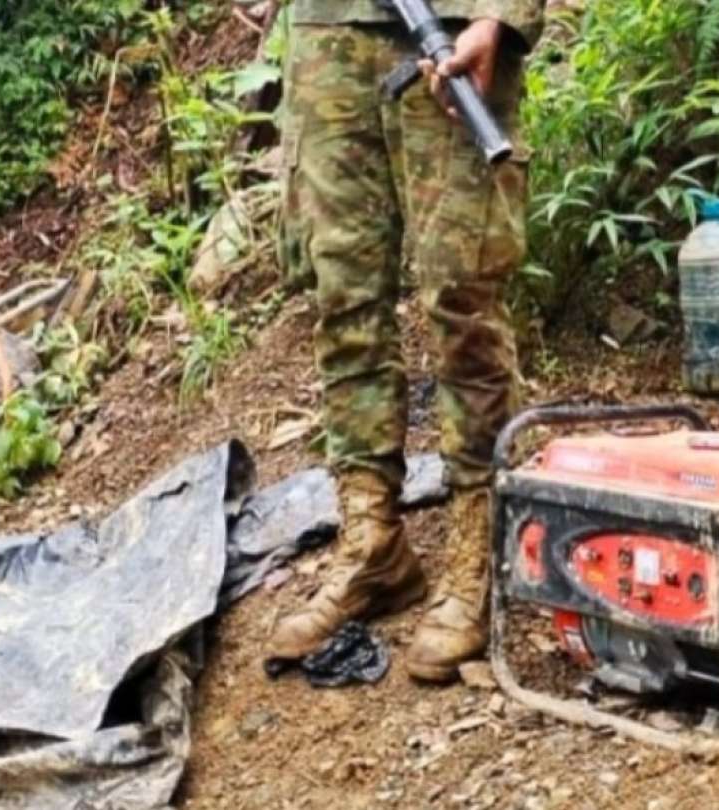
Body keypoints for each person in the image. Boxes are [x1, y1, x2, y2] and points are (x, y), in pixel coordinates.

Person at [267, 0, 545, 683]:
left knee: (462, 292)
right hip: (327, 30)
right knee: (343, 292)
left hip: (450, 21)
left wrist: (501, 17)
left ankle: (481, 548)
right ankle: (373, 539)